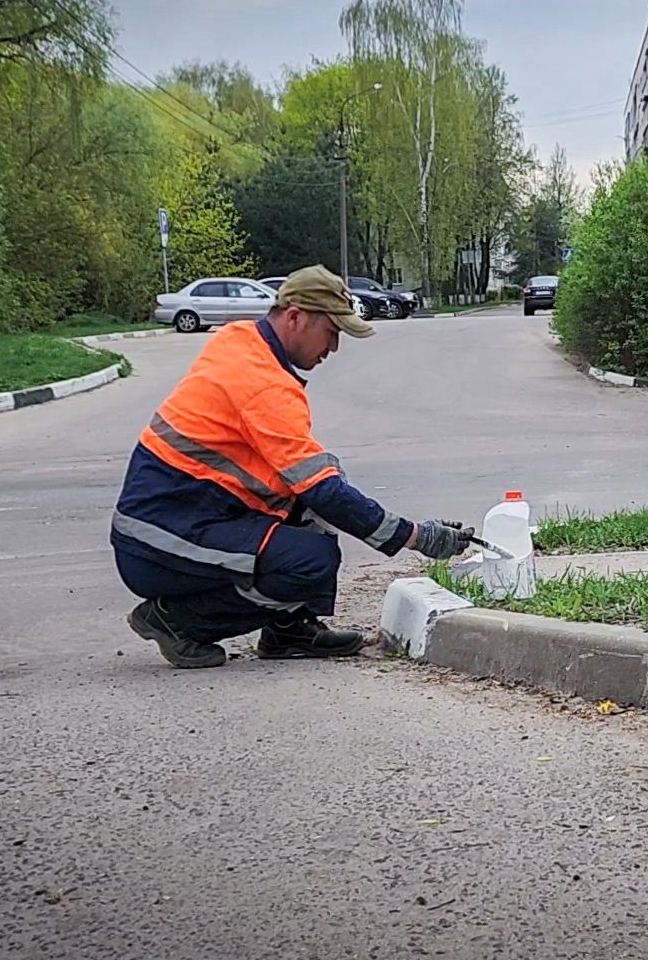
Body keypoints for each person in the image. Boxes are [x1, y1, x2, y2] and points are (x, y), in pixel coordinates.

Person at [110, 265, 473, 668]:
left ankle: (287, 628)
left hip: (175, 516)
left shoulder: (241, 338)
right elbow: (323, 492)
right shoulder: (264, 383)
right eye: (331, 332)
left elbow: (313, 482)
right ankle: (176, 621)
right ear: (295, 316)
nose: (333, 347)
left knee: (320, 495)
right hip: (159, 540)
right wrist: (416, 537)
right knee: (311, 560)